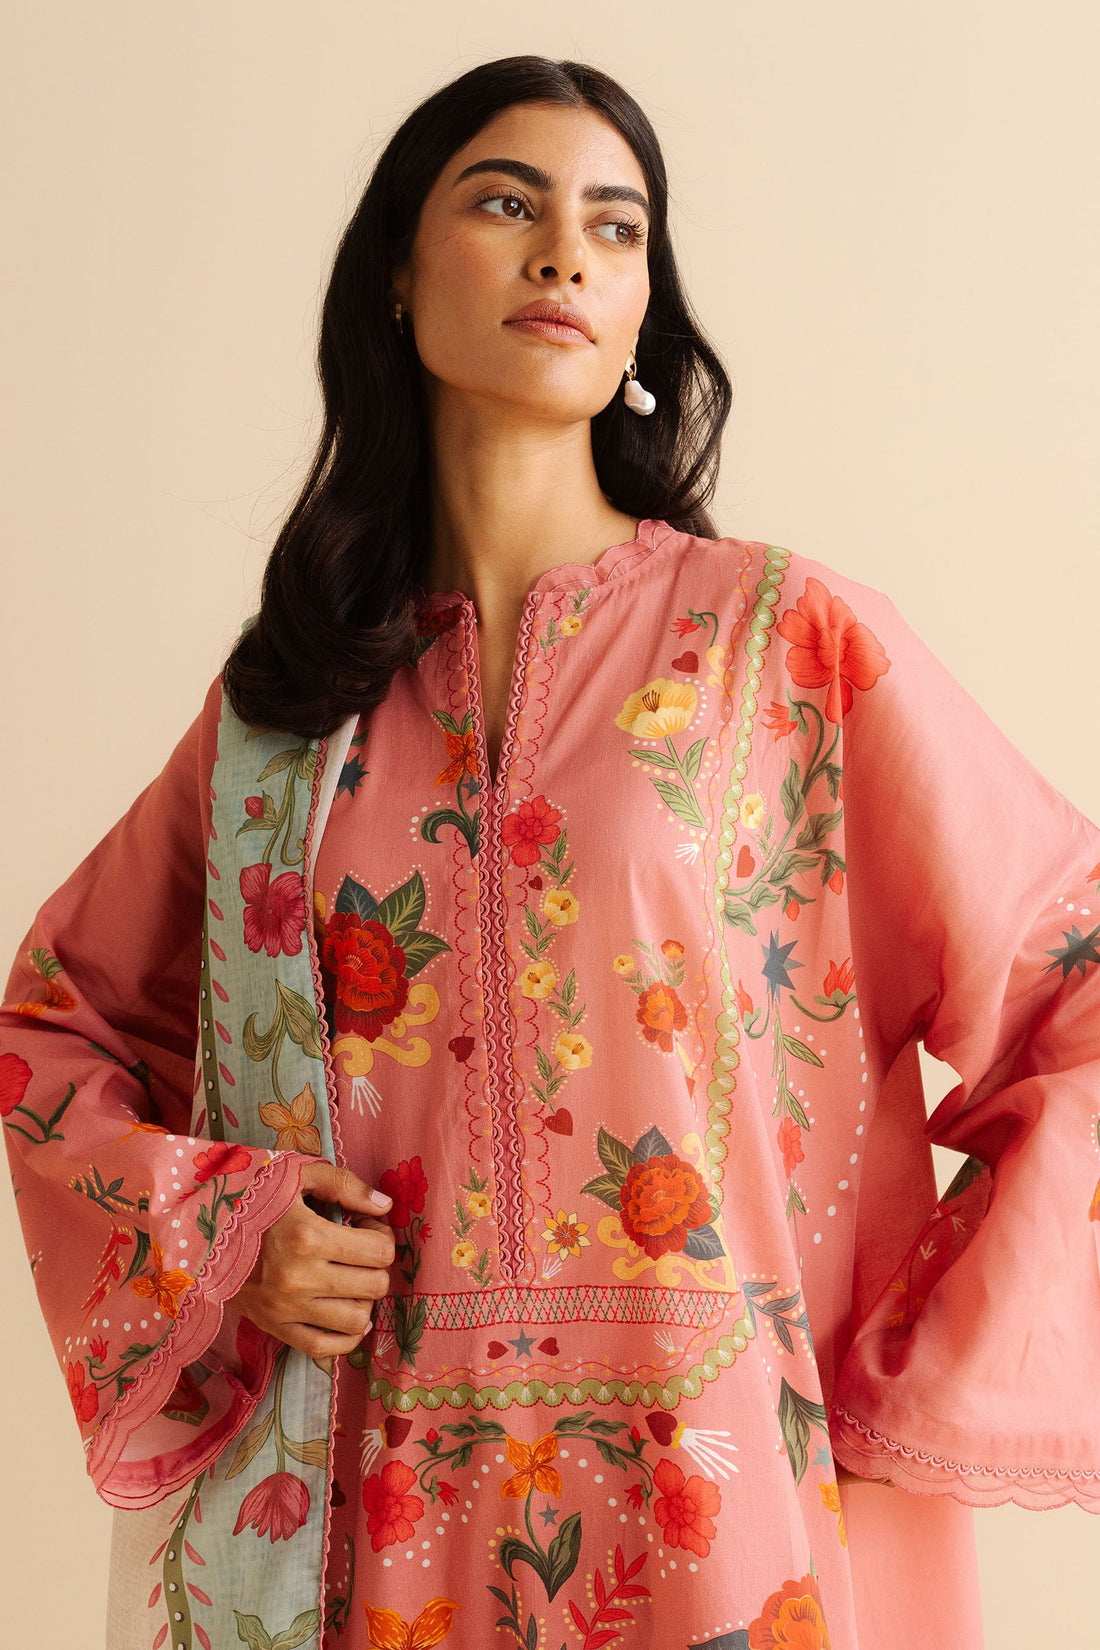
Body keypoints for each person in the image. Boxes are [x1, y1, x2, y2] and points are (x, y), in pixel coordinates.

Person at [3, 52, 1098, 1650]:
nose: (566, 254)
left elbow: (1075, 980)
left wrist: (903, 1372)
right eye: (507, 203)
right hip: (378, 1519)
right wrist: (226, 1230)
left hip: (721, 1514)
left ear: (645, 305)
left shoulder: (779, 647)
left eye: (616, 223)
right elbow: (55, 1032)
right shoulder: (288, 713)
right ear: (396, 271)